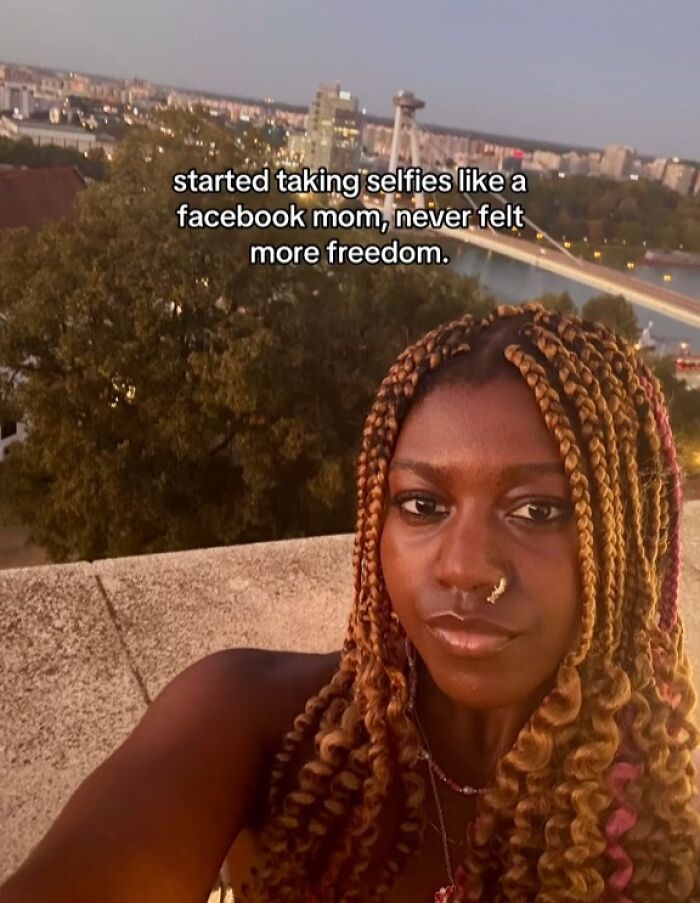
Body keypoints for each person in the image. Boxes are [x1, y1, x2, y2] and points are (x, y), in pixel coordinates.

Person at [1, 302, 699, 902]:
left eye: (539, 509)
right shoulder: (248, 723)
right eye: (423, 504)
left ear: (634, 540)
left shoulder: (659, 832)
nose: (464, 568)